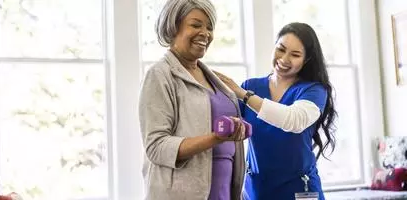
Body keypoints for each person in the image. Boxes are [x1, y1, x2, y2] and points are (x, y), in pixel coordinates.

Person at [138, 0, 248, 199]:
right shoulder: (160, 75)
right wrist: (215, 138)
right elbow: (156, 147)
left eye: (209, 27)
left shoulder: (215, 79)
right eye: (196, 25)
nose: (205, 33)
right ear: (173, 26)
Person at [214, 22, 337, 200]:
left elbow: (293, 120)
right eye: (281, 49)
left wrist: (244, 95)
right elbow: (225, 125)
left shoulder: (314, 90)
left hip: (299, 191)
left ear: (306, 60)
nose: (284, 59)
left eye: (295, 55)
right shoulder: (252, 86)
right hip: (257, 189)